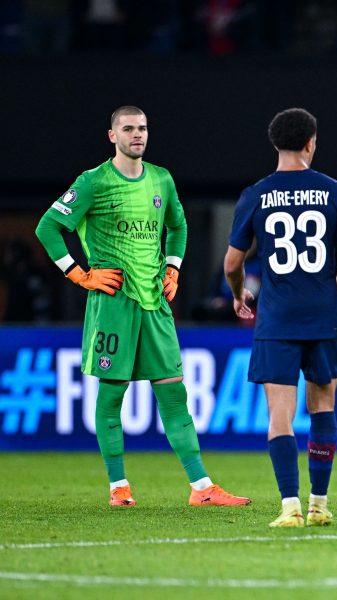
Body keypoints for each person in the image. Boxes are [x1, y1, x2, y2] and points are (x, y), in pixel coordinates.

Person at [33, 106, 250, 508]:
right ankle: (119, 487)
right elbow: (48, 226)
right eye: (129, 128)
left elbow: (178, 226)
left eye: (143, 128)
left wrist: (173, 268)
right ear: (112, 136)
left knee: (173, 394)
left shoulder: (161, 179)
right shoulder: (93, 182)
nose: (138, 135)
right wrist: (79, 274)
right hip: (114, 304)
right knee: (112, 397)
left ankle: (201, 488)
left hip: (155, 304)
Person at [224, 108, 337, 528]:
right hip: (323, 316)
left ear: (276, 144)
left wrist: (238, 294)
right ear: (311, 143)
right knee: (323, 408)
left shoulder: (256, 194)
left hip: (277, 318)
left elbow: (233, 261)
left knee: (279, 417)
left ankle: (290, 507)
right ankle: (319, 504)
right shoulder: (334, 191)